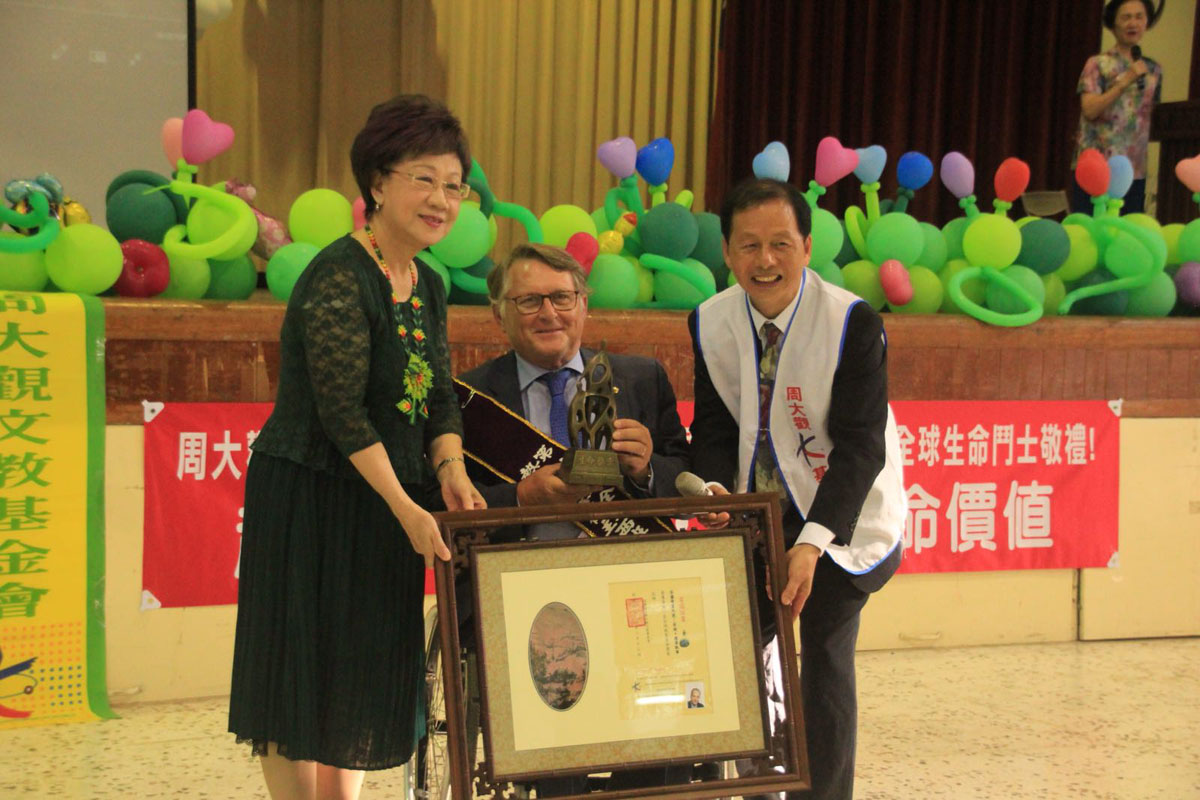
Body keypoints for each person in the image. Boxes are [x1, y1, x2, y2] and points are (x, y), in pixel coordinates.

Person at [228, 94, 484, 800]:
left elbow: (438, 395)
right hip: (312, 493)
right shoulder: (339, 276)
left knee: (360, 666)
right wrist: (407, 506)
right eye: (423, 179)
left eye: (454, 184)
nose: (441, 199)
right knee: (299, 670)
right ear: (377, 182)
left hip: (387, 500)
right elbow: (340, 413)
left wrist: (451, 468)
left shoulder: (428, 283)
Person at [688, 178, 906, 800]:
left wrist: (812, 543)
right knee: (743, 649)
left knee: (825, 650)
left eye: (781, 244)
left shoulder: (851, 322)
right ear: (727, 253)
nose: (765, 261)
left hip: (845, 517)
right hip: (755, 516)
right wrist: (710, 491)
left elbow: (863, 446)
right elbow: (713, 426)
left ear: (807, 247)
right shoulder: (709, 321)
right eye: (749, 245)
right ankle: (758, 786)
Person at [455, 242, 691, 795]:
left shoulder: (641, 378)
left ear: (584, 304)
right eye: (530, 300)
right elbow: (441, 500)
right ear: (499, 313)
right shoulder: (468, 398)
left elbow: (686, 471)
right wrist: (517, 497)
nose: (549, 313)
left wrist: (647, 468)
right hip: (520, 588)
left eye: (562, 297)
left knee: (666, 744)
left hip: (629, 582)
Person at [1070, 0, 1165, 214]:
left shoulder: (1153, 69)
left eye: (1139, 17)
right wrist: (1125, 81)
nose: (1133, 23)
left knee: (1125, 236)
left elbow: (1155, 116)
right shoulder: (1097, 64)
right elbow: (1090, 109)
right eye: (1126, 17)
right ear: (1113, 24)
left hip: (1134, 170)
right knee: (1091, 233)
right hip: (1097, 167)